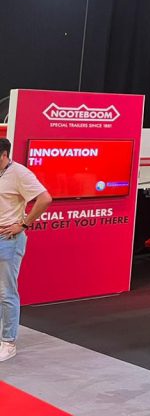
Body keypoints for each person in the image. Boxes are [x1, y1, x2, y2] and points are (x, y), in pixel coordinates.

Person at [1, 137, 54, 362]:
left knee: (6, 292)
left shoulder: (19, 173)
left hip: (8, 239)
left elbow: (45, 198)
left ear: (4, 155)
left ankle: (8, 342)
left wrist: (23, 224)